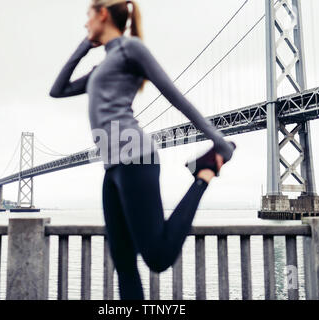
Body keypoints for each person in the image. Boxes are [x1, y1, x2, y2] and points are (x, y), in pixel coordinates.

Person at [50, 0, 235, 299]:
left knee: (158, 258)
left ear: (102, 14)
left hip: (136, 158)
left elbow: (174, 95)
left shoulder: (131, 50)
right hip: (112, 167)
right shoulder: (103, 65)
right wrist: (86, 44)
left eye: (88, 17)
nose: (85, 25)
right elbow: (57, 90)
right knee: (123, 263)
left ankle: (204, 174)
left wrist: (218, 140)